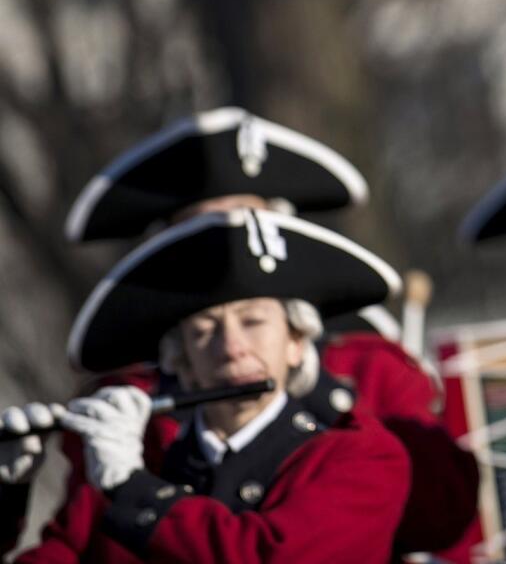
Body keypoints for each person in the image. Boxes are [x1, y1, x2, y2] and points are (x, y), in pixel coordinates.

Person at [60, 107, 480, 561]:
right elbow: (74, 545)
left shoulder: (369, 368)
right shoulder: (133, 399)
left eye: (247, 224)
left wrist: (316, 394)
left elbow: (445, 519)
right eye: (200, 234)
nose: (228, 249)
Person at [0, 208, 411, 561]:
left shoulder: (362, 459)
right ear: (182, 362)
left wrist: (132, 487)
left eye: (253, 322)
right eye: (204, 330)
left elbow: (270, 557)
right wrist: (7, 493)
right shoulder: (133, 465)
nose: (231, 347)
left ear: (296, 343)